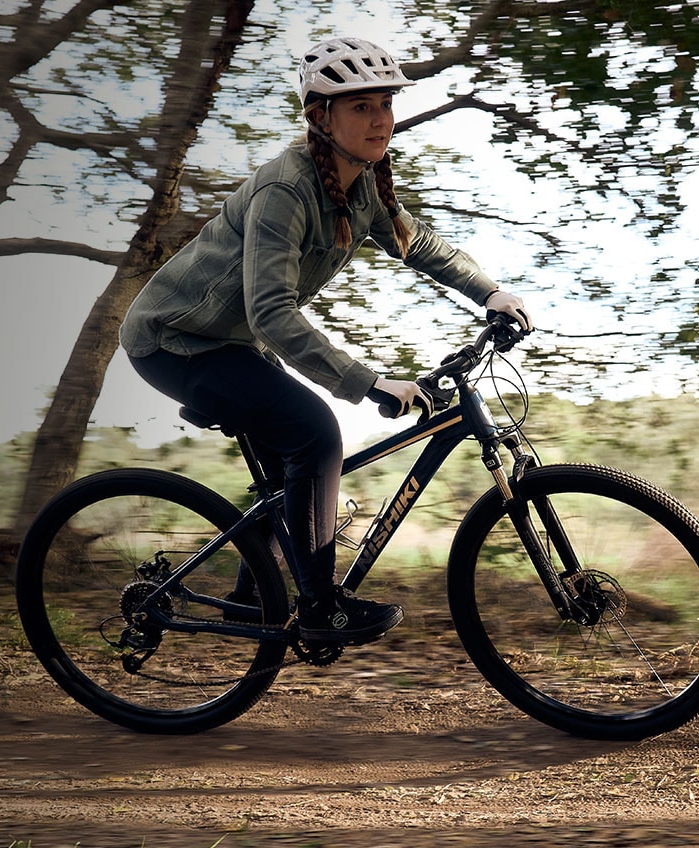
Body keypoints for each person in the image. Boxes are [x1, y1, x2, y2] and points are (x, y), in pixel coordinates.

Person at [119, 37, 533, 646]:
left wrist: (491, 293)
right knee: (315, 433)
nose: (378, 119)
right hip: (173, 341)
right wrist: (368, 384)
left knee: (294, 463)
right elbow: (270, 314)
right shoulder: (284, 191)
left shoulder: (361, 187)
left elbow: (421, 245)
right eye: (359, 106)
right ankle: (320, 610)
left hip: (229, 344)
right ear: (321, 117)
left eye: (384, 104)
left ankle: (254, 600)